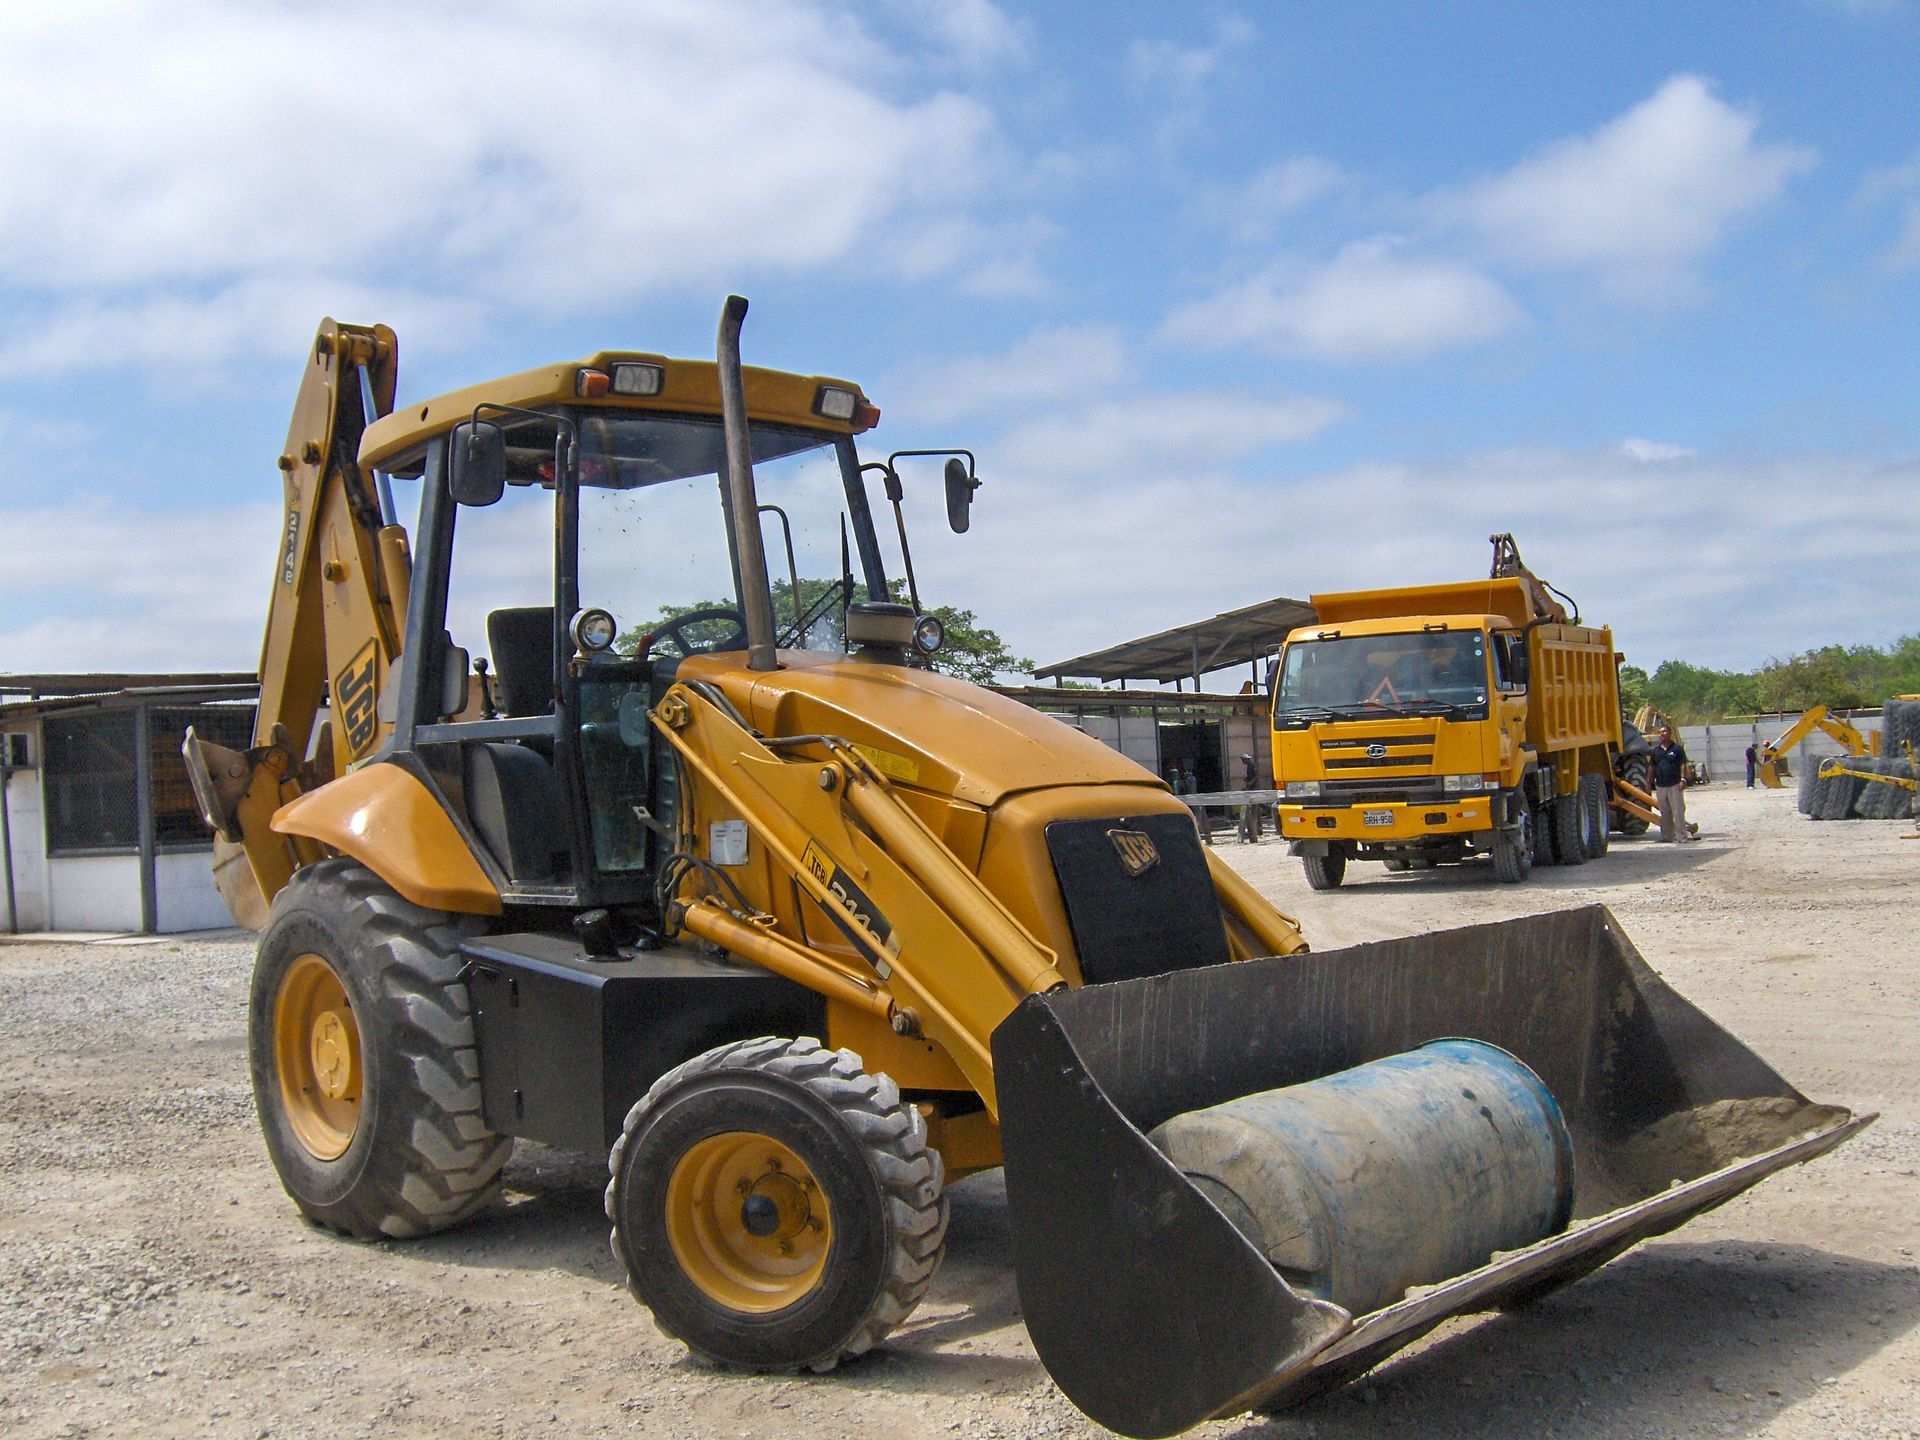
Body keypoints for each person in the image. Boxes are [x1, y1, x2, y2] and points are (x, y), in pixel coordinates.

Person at [1651, 725, 1698, 842]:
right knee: (1664, 812)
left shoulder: (1677, 749)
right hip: (1661, 785)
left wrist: (1683, 780)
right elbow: (1652, 767)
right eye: (1660, 732)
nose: (1662, 734)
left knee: (1678, 811)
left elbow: (1682, 764)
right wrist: (1648, 782)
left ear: (1670, 733)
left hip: (1674, 784)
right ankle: (1666, 836)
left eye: (1664, 731)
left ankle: (1681, 836)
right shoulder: (1656, 751)